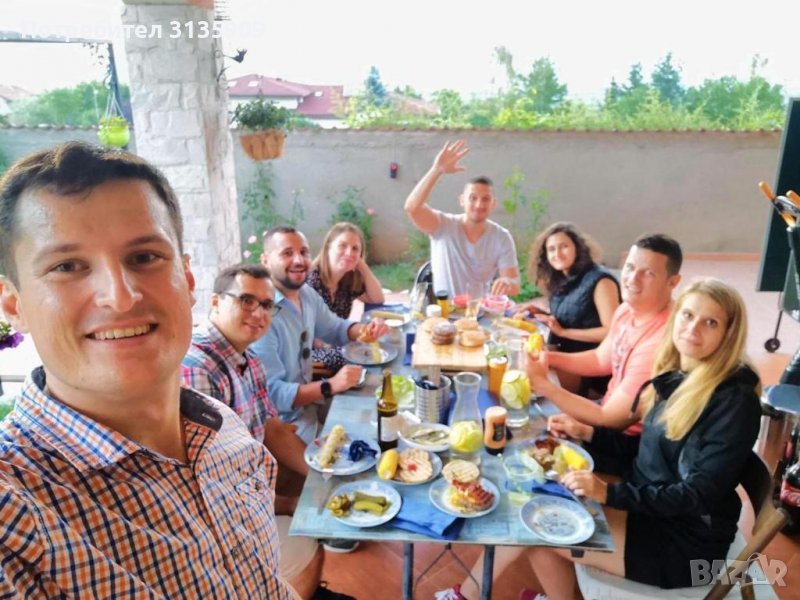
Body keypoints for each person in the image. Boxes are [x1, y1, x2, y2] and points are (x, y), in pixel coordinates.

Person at [0, 142, 295, 598]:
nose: (120, 297)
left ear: (188, 279)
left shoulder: (226, 432)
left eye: (144, 257)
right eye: (67, 266)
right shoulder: (14, 519)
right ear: (13, 305)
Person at [522, 278, 762, 596]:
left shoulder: (734, 402)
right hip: (654, 506)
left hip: (684, 542)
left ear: (728, 334)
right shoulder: (681, 374)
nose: (693, 328)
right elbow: (650, 451)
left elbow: (697, 495)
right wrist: (589, 433)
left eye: (710, 322)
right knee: (536, 502)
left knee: (538, 530)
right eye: (688, 315)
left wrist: (608, 493)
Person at [181, 263, 347, 599]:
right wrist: (285, 504)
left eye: (267, 305)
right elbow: (209, 486)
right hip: (216, 522)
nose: (258, 313)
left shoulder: (248, 358)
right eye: (246, 300)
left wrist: (323, 475)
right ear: (215, 302)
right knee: (305, 543)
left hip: (250, 481)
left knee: (316, 509)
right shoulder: (198, 369)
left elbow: (272, 428)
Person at [530, 233, 683, 438]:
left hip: (622, 440)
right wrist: (545, 358)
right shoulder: (627, 309)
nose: (633, 279)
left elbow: (609, 419)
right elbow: (599, 359)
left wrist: (542, 384)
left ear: (673, 282)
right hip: (603, 408)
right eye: (630, 267)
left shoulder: (661, 341)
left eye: (648, 273)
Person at [252, 226, 388, 445]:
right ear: (266, 260)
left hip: (310, 405)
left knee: (378, 417)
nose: (298, 260)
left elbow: (334, 328)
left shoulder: (306, 294)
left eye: (303, 252)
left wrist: (365, 331)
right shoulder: (260, 316)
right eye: (287, 253)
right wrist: (330, 386)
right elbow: (273, 394)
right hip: (283, 424)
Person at [403, 140, 520, 297]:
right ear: (462, 200)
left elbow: (514, 283)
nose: (479, 204)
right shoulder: (442, 225)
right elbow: (412, 208)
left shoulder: (501, 237)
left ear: (493, 204)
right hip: (445, 308)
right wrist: (437, 170)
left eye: (486, 199)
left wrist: (507, 283)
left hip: (479, 309)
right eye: (473, 198)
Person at [515, 222, 621, 395]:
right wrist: (542, 314)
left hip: (589, 368)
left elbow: (611, 332)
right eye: (551, 249)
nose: (557, 254)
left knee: (522, 382)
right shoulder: (563, 278)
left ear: (577, 248)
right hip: (563, 354)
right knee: (513, 359)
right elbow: (575, 316)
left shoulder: (601, 281)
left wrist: (565, 333)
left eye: (564, 246)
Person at [308, 222, 385, 373]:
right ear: (328, 247)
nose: (349, 252)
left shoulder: (346, 280)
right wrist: (352, 341)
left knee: (375, 350)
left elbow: (377, 299)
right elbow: (312, 337)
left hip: (336, 343)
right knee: (363, 358)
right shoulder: (312, 281)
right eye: (342, 246)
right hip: (307, 353)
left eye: (355, 248)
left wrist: (361, 265)